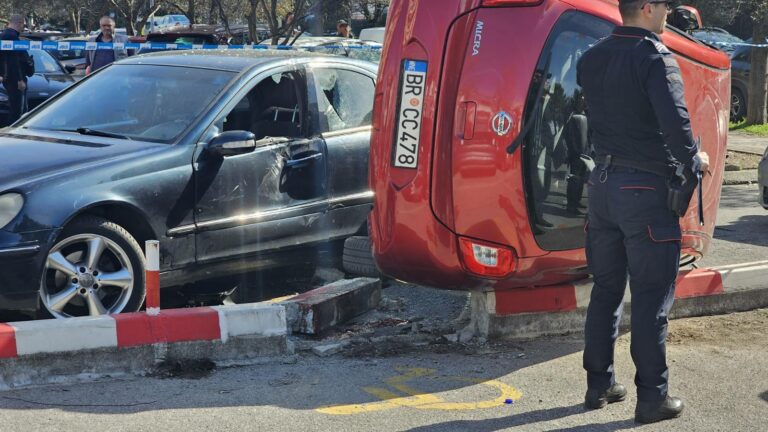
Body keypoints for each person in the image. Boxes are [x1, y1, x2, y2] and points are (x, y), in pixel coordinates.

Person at [576, 0, 710, 424]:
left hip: (602, 187)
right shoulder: (654, 56)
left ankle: (599, 385)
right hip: (644, 191)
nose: (669, 12)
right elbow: (676, 123)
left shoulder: (592, 56)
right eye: (665, 6)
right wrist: (695, 160)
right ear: (649, 8)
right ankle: (653, 397)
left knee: (606, 290)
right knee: (651, 298)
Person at [0, 14, 29, 124]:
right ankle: (14, 132)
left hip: (9, 78)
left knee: (18, 109)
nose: (23, 28)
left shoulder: (5, 35)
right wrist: (19, 80)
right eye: (23, 25)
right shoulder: (11, 36)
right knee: (19, 111)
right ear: (19, 23)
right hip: (14, 79)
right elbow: (14, 61)